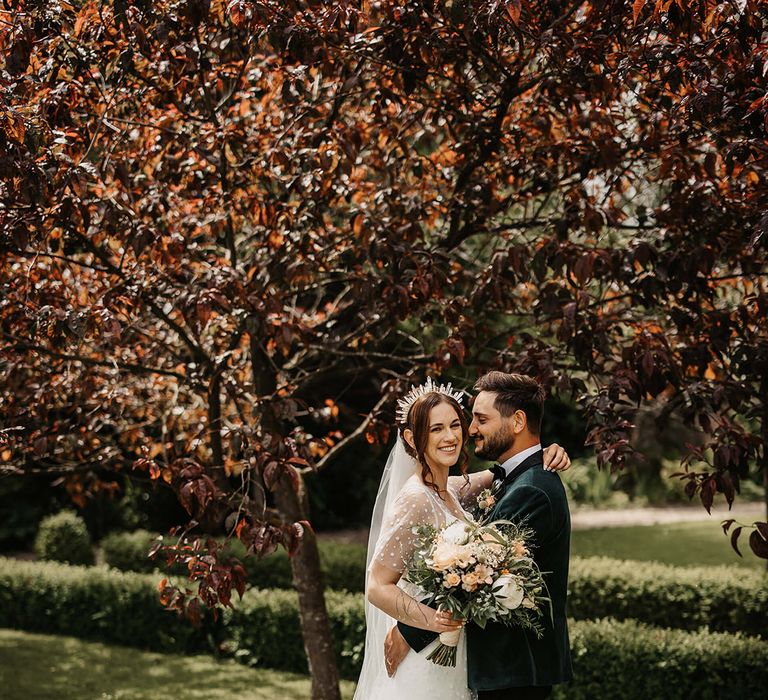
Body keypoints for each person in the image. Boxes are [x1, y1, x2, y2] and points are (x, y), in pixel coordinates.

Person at [354, 378, 571, 700]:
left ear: (518, 421)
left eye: (470, 421)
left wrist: (408, 630)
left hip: (511, 665)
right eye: (436, 428)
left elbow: (484, 565)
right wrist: (420, 623)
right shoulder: (425, 495)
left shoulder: (508, 489)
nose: (463, 432)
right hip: (448, 653)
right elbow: (378, 583)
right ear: (413, 439)